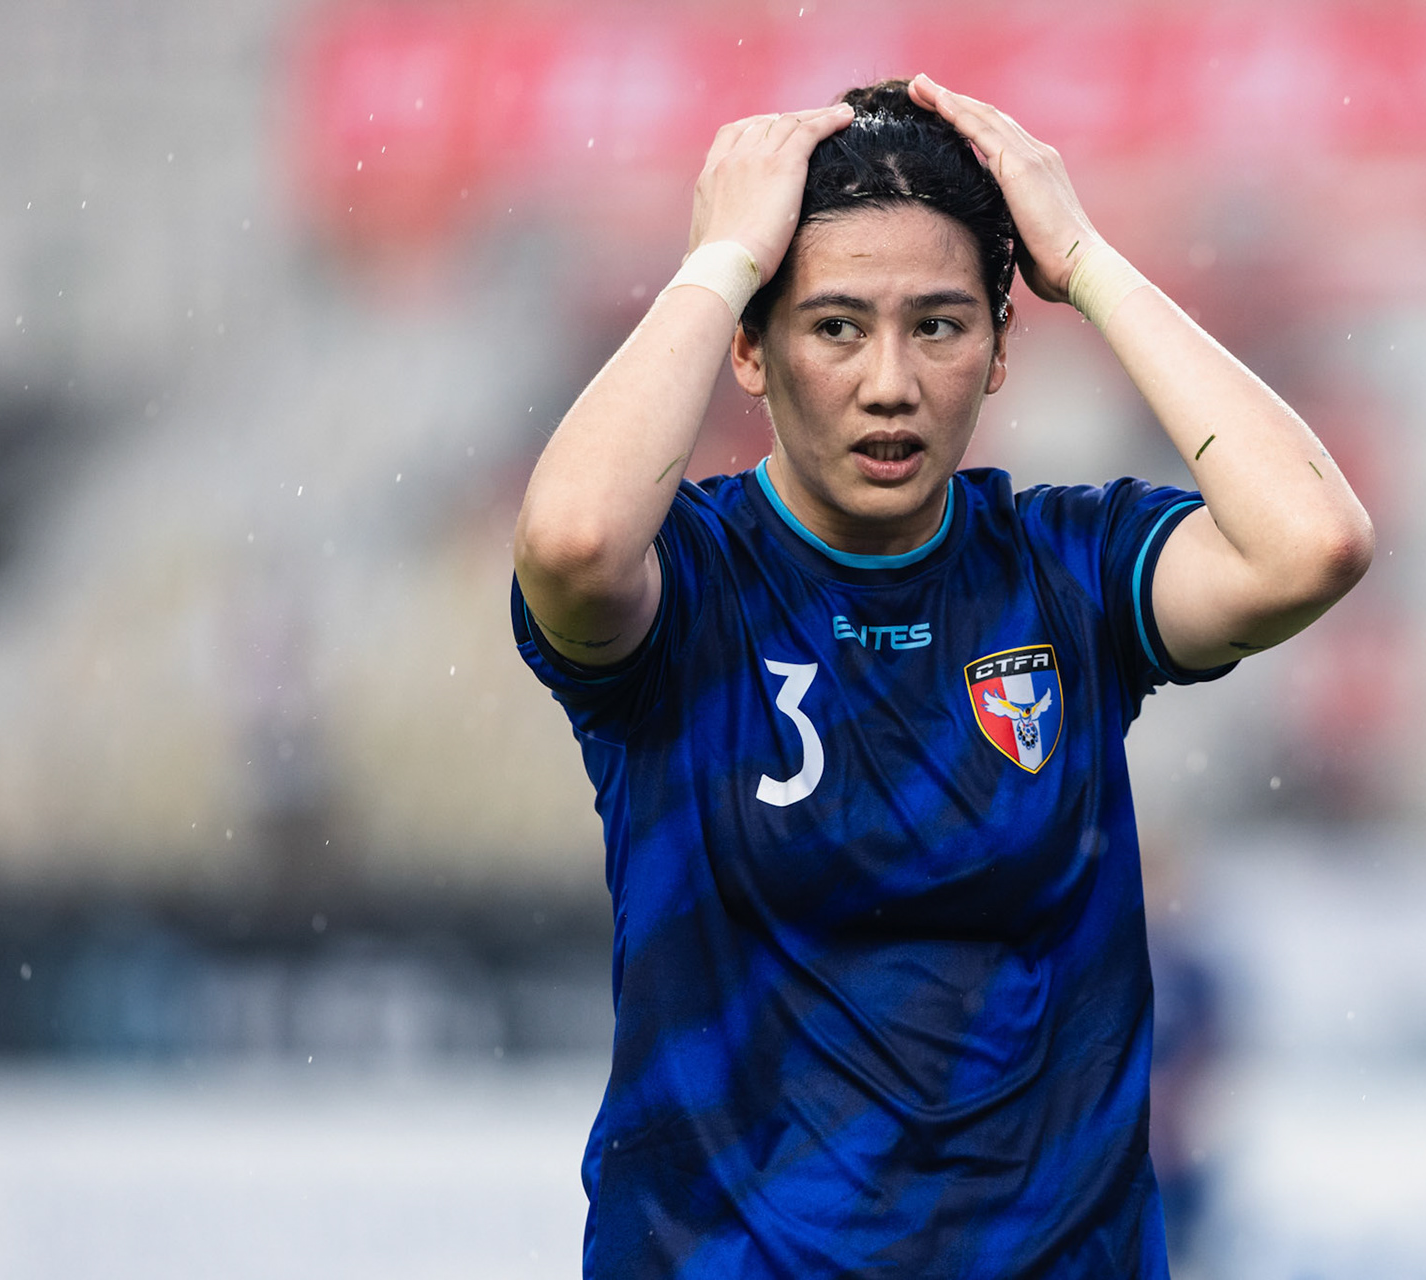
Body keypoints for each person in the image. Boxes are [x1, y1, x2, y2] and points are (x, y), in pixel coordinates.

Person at [511, 76, 1372, 1278]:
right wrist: (719, 261)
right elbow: (570, 544)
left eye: (940, 324)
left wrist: (1083, 257)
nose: (890, 382)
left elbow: (1314, 540)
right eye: (834, 326)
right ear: (750, 352)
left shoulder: (1065, 571)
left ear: (1001, 349)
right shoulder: (691, 590)